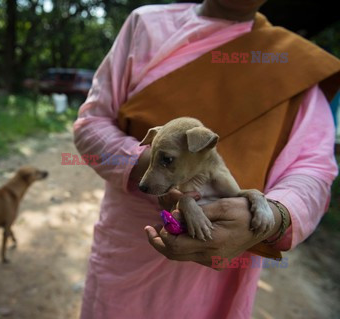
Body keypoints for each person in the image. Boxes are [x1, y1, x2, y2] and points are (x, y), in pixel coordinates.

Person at [73, 1, 340, 318]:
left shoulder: (294, 63)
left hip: (226, 261)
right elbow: (91, 125)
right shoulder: (145, 26)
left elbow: (314, 170)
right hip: (131, 246)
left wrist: (275, 215)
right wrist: (153, 164)